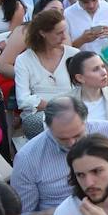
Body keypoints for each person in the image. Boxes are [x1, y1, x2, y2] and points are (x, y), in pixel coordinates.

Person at [10, 96, 108, 215]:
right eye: (63, 138)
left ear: (85, 121)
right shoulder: (27, 158)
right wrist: (54, 213)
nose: (72, 143)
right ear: (48, 127)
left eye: (77, 135)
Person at [15, 9, 80, 139]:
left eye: (64, 31)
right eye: (59, 33)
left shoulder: (74, 55)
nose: (64, 37)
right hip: (39, 116)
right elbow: (23, 99)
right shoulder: (24, 60)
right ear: (43, 33)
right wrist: (54, 107)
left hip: (73, 110)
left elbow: (84, 89)